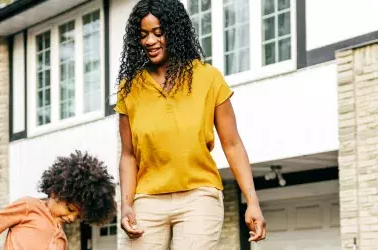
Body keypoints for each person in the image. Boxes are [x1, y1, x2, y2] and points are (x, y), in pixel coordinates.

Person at [114, 0, 267, 249]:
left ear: (175, 31)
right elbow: (129, 155)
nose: (150, 41)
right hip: (147, 199)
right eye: (143, 35)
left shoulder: (208, 78)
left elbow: (232, 144)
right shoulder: (129, 89)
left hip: (199, 196)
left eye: (158, 33)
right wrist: (126, 205)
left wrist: (252, 201)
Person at [0, 151, 118, 250]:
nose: (71, 217)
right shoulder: (29, 207)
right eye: (70, 208)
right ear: (57, 191)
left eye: (77, 216)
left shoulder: (62, 241)